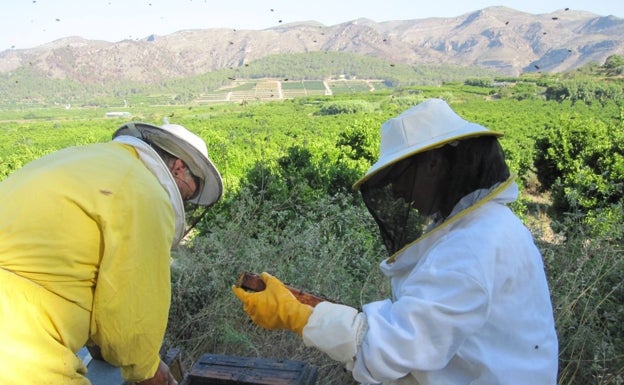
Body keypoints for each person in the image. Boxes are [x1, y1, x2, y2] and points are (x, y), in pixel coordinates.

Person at [232, 98, 559, 384]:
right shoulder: (483, 228)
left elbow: (386, 350)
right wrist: (310, 306)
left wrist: (296, 316)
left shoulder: (474, 246)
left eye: (399, 178)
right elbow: (418, 326)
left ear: (433, 165)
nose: (399, 193)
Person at [0, 120, 223, 385]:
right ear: (179, 168)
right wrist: (151, 370)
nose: (185, 201)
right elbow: (131, 325)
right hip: (17, 339)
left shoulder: (86, 159)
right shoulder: (146, 195)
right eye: (189, 195)